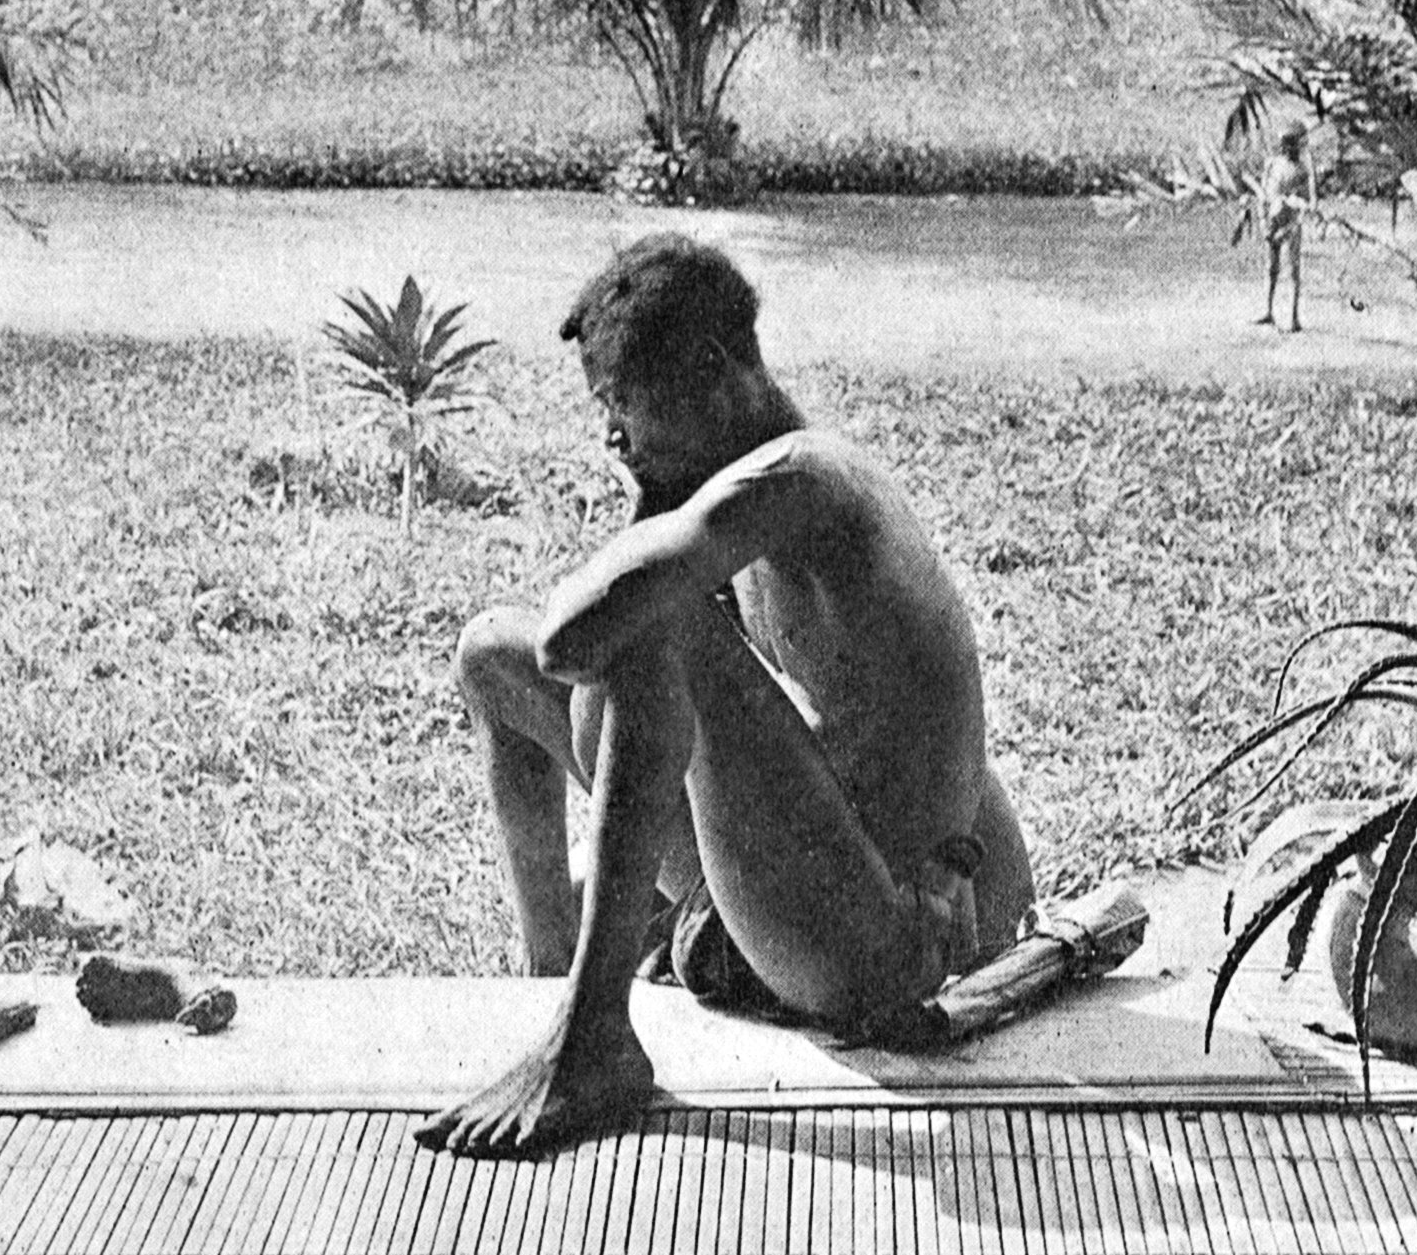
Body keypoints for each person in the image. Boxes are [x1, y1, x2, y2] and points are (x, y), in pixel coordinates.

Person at [424, 234, 1036, 1158]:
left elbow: (577, 634)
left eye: (622, 407)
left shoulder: (799, 481)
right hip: (814, 887)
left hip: (885, 942)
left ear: (712, 371)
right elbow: (551, 662)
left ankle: (593, 1040)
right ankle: (553, 982)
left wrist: (649, 524)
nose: (613, 439)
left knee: (652, 622)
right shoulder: (739, 491)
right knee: (489, 659)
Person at [1250, 119, 1312, 333]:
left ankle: (1293, 318)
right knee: (1271, 268)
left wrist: (1291, 227)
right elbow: (1264, 195)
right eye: (1292, 144)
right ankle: (1268, 310)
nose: (1295, 149)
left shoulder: (1302, 170)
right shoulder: (1273, 164)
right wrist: (1263, 221)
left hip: (1290, 224)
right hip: (1272, 221)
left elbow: (1306, 204)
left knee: (1293, 271)